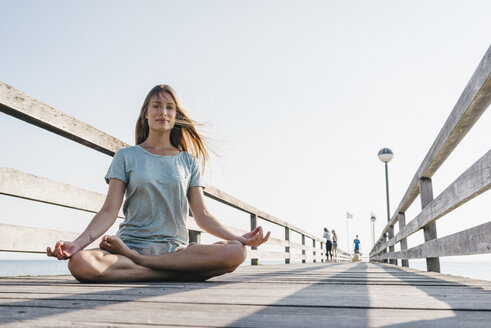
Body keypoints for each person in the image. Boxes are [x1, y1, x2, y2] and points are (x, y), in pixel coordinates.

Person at [46, 84, 270, 282]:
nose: (163, 112)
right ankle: (177, 272)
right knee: (80, 263)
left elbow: (203, 216)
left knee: (237, 252)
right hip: (128, 248)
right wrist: (77, 244)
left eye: (169, 107)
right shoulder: (126, 156)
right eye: (156, 106)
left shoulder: (188, 161)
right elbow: (108, 211)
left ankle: (143, 263)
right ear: (145, 113)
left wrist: (238, 238)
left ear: (175, 115)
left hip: (174, 252)